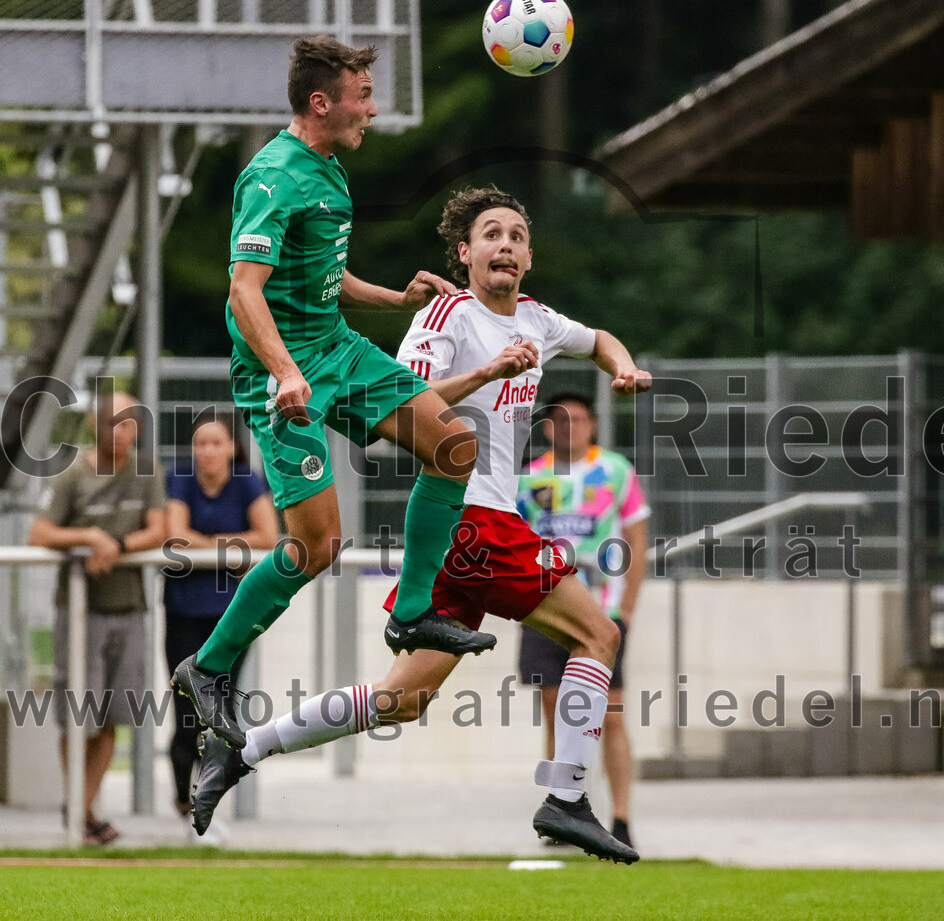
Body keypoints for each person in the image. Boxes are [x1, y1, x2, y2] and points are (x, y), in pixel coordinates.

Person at [190, 186, 652, 863]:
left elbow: (598, 337)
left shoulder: (537, 319)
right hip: (474, 520)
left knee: (399, 699)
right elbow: (409, 402)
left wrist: (622, 365)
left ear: (528, 259)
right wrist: (488, 371)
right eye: (491, 233)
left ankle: (241, 750)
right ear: (463, 253)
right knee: (599, 632)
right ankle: (567, 798)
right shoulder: (446, 316)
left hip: (466, 535)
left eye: (518, 236)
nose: (506, 244)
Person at [171, 35, 497, 749]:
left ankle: (412, 611)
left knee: (454, 444)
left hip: (337, 349)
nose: (372, 112)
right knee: (316, 547)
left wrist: (394, 296)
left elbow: (323, 276)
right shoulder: (272, 176)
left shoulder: (328, 169)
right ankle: (208, 667)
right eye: (362, 98)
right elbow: (244, 290)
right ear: (322, 103)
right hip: (281, 369)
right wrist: (287, 372)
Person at [28, 391, 167, 845]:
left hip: (130, 610)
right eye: (112, 423)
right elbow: (40, 533)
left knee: (112, 718)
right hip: (80, 613)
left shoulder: (146, 471)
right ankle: (81, 812)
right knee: (78, 716)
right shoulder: (72, 474)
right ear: (96, 425)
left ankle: (81, 810)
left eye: (129, 424)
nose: (121, 433)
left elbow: (160, 529)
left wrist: (117, 547)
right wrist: (89, 536)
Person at [517, 392, 650, 851]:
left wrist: (628, 607)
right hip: (544, 611)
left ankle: (622, 816)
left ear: (592, 425)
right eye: (559, 420)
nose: (569, 427)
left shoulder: (615, 470)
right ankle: (563, 808)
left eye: (578, 419)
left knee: (610, 715)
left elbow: (637, 538)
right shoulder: (529, 477)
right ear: (547, 428)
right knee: (556, 713)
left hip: (602, 613)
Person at [164, 412, 277, 828]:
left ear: (231, 447)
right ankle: (182, 798)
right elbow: (175, 534)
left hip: (233, 617)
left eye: (215, 443)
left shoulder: (248, 480)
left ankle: (211, 800)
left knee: (223, 708)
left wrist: (210, 548)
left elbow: (268, 535)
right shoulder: (180, 478)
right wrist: (225, 548)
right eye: (200, 444)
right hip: (183, 611)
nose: (207, 452)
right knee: (185, 707)